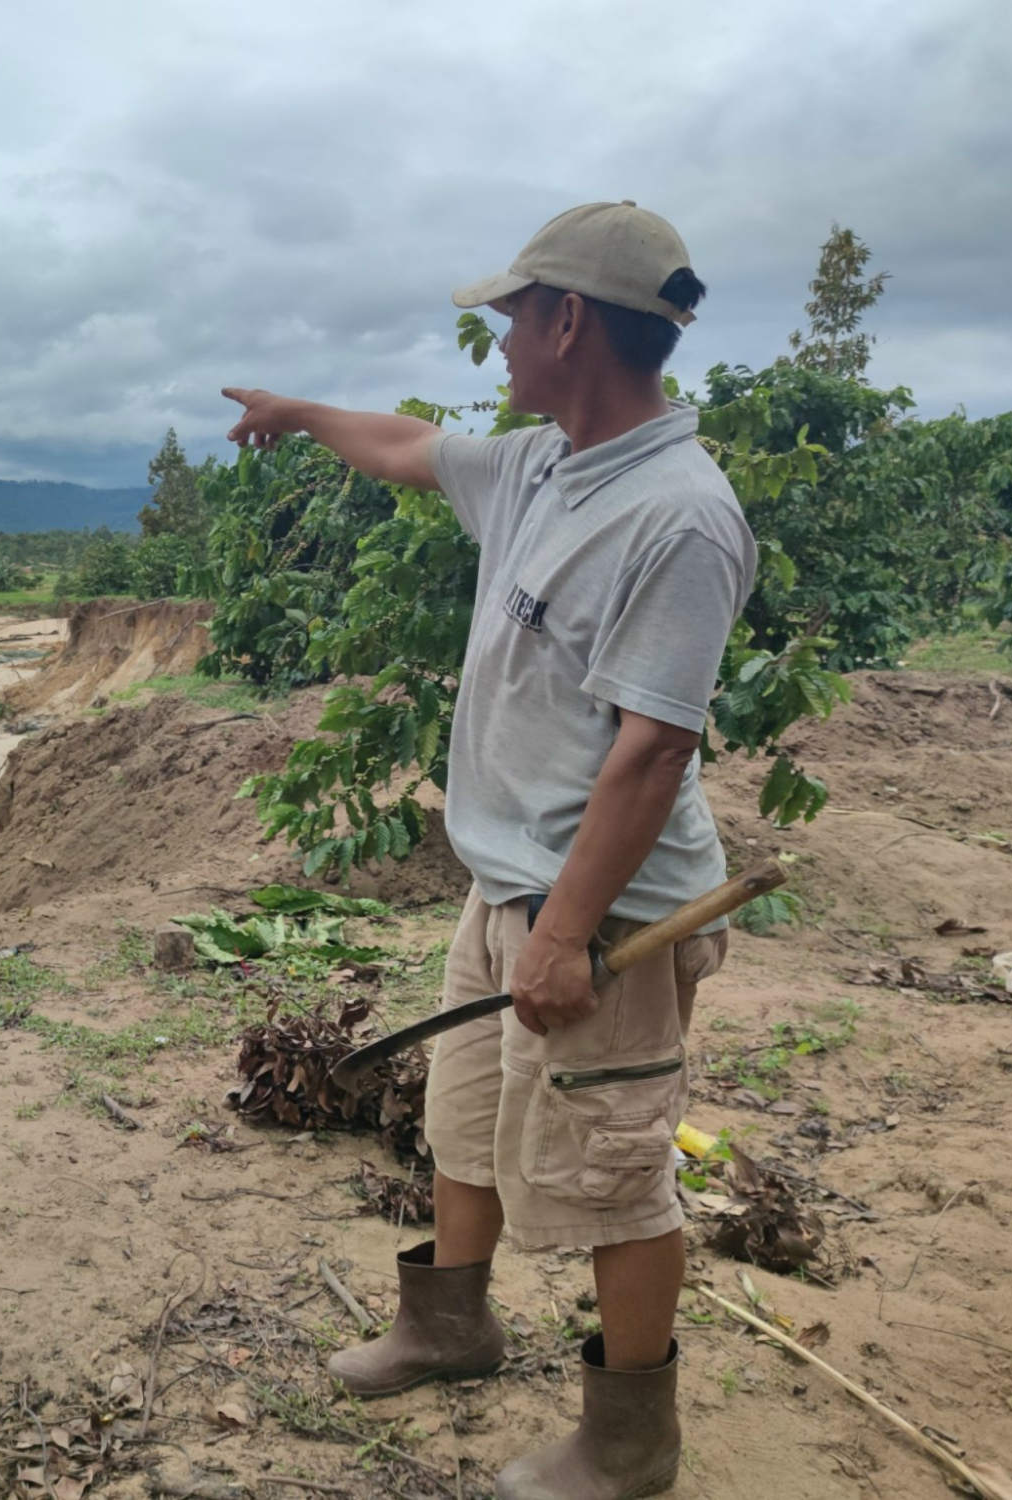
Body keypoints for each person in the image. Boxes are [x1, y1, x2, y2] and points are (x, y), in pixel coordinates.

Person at [222, 201, 753, 1500]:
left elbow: (652, 752)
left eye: (512, 315)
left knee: (614, 1168)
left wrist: (569, 935)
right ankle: (449, 1326)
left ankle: (633, 1442)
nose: (499, 338)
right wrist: (298, 414)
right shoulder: (543, 465)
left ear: (570, 319)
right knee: (464, 1120)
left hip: (613, 915)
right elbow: (408, 443)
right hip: (507, 883)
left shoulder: (679, 517)